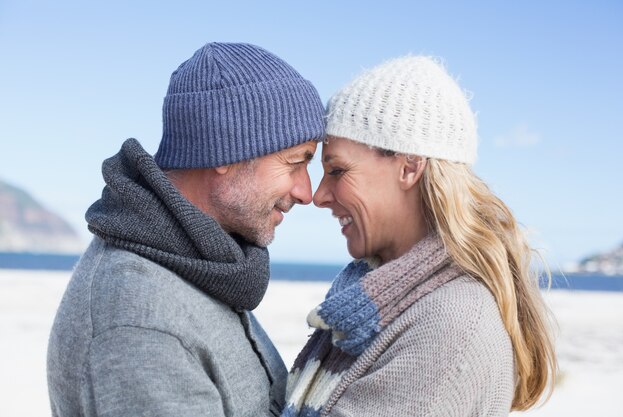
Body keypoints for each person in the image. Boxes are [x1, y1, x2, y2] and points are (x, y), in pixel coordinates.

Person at [47, 42, 325, 417]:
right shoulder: (141, 321)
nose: (306, 192)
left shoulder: (203, 264)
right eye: (295, 162)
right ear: (226, 150)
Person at [283, 56, 557, 417]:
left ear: (409, 167)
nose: (319, 195)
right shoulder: (381, 303)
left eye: (337, 170)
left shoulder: (450, 327)